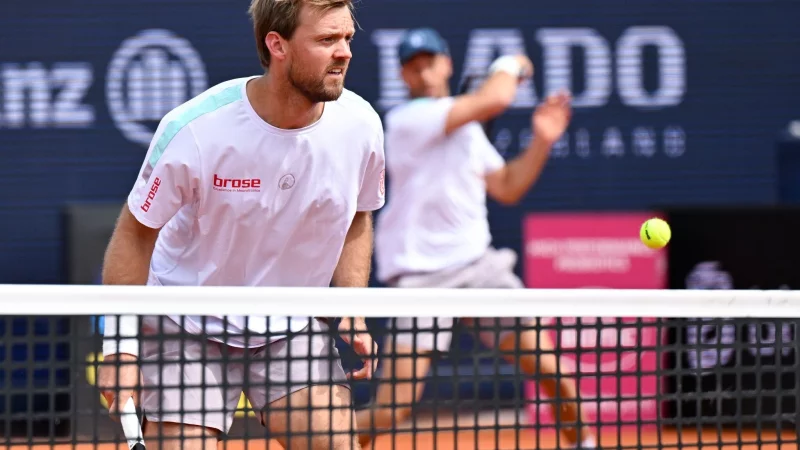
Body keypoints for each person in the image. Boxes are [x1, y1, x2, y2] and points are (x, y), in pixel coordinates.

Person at [97, 1, 385, 450]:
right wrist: (119, 347)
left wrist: (350, 306)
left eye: (347, 38)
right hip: (187, 326)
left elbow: (357, 216)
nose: (344, 52)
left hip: (291, 327)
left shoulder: (361, 126)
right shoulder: (196, 129)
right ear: (278, 45)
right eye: (327, 40)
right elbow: (136, 236)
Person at [356, 28, 596, 449]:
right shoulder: (404, 120)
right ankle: (317, 438)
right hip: (421, 279)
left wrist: (541, 140)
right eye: (414, 65)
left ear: (447, 64)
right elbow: (498, 99)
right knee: (390, 411)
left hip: (479, 267)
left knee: (553, 373)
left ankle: (584, 444)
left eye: (431, 60)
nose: (425, 70)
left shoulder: (467, 131)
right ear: (403, 76)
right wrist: (513, 64)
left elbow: (506, 186)